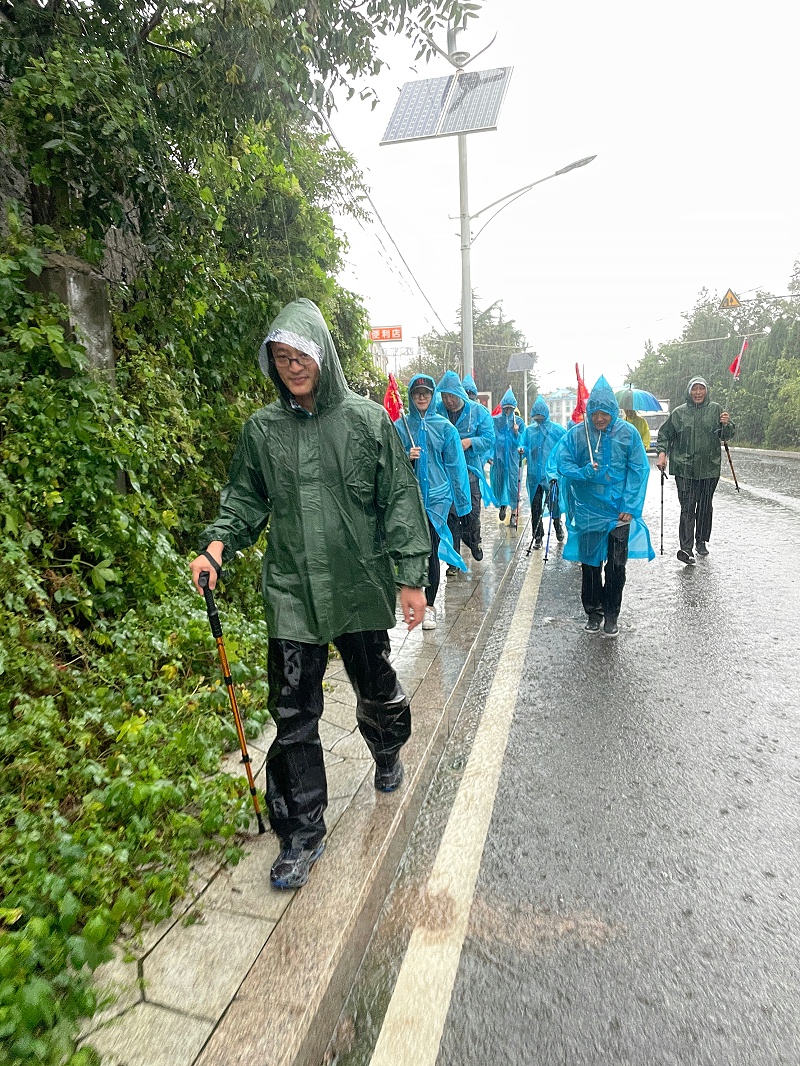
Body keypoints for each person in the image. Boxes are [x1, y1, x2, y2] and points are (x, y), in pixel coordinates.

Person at [189, 298, 430, 890]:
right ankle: (301, 832)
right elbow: (245, 498)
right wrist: (217, 545)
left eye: (301, 355)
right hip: (293, 590)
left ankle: (387, 747)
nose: (292, 366)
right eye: (281, 357)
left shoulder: (368, 423)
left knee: (375, 686)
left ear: (323, 353)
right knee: (293, 713)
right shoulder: (261, 430)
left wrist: (411, 576)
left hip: (356, 582)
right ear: (271, 364)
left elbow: (400, 500)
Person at [551, 376, 654, 637]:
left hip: (619, 511)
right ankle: (593, 611)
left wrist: (630, 505)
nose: (599, 418)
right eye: (594, 413)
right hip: (588, 509)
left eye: (604, 413)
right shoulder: (577, 434)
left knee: (616, 566)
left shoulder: (628, 433)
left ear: (612, 411)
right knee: (590, 564)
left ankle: (611, 613)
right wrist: (582, 471)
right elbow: (562, 462)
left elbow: (639, 469)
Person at [394, 374, 471, 629]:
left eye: (426, 393)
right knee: (411, 550)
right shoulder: (400, 427)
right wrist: (407, 456)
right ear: (411, 397)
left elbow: (455, 466)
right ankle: (411, 594)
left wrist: (462, 505)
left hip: (437, 499)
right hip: (409, 500)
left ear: (432, 394)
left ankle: (429, 605)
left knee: (430, 550)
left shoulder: (445, 428)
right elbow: (389, 464)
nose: (422, 398)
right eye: (417, 394)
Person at [655, 376, 734, 564]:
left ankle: (701, 540)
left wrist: (726, 424)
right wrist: (662, 454)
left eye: (701, 389)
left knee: (705, 506)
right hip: (684, 468)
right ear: (689, 391)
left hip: (709, 467)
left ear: (706, 391)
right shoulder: (678, 413)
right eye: (694, 389)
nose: (698, 392)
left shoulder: (715, 409)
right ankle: (686, 548)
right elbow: (665, 435)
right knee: (688, 507)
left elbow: (726, 436)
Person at [435, 371, 496, 571]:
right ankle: (453, 561)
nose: (448, 401)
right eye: (444, 396)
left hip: (470, 472)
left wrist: (470, 442)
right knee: (451, 515)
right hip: (446, 473)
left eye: (451, 396)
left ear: (459, 394)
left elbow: (489, 438)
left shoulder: (478, 412)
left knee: (471, 512)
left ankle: (474, 539)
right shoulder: (437, 411)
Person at [521, 395, 566, 549]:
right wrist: (523, 450)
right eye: (536, 417)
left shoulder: (557, 430)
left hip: (551, 475)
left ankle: (557, 526)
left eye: (540, 417)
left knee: (554, 504)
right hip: (534, 475)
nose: (538, 420)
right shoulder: (529, 431)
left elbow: (566, 447)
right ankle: (538, 536)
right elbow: (523, 445)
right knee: (535, 506)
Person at [491, 388, 525, 525]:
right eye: (505, 408)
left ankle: (513, 513)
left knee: (513, 485)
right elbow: (491, 437)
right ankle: (502, 505)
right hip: (499, 459)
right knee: (499, 482)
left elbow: (523, 442)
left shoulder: (519, 422)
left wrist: (516, 433)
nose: (508, 411)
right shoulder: (496, 421)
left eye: (510, 408)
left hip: (513, 459)